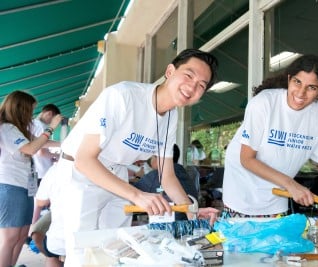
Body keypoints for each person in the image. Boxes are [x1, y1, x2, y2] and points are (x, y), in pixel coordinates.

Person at [55, 48, 219, 264]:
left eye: (201, 85)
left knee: (118, 247)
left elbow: (167, 177)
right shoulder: (123, 96)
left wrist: (192, 210)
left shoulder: (172, 116)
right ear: (170, 71)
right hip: (80, 172)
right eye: (188, 75)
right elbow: (85, 160)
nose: (192, 87)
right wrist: (137, 195)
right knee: (81, 251)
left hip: (117, 171)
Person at [222, 54, 318, 220]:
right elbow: (246, 159)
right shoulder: (264, 103)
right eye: (297, 82)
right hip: (242, 191)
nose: (301, 93)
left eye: (311, 87)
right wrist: (291, 184)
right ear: (289, 79)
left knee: (274, 244)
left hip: (278, 194)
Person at [0, 91, 62, 267]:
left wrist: (69, 143)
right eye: (30, 110)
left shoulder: (18, 130)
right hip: (10, 186)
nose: (31, 115)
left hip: (22, 187)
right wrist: (50, 129)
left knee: (21, 236)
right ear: (21, 109)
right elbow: (30, 149)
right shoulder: (7, 128)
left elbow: (40, 143)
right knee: (10, 238)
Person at [134, 144, 198, 220]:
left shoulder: (154, 176)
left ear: (159, 158)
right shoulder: (185, 173)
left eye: (152, 157)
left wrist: (138, 176)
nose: (150, 160)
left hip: (166, 225)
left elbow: (132, 193)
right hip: (186, 220)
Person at [30, 163, 66, 267]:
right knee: (36, 233)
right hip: (58, 212)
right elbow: (40, 202)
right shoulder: (56, 169)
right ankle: (53, 256)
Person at [31, 104, 61, 183]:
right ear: (49, 114)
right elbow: (42, 152)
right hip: (42, 171)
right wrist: (58, 155)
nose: (52, 122)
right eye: (54, 120)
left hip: (34, 170)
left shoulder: (33, 124)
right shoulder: (42, 126)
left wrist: (51, 157)